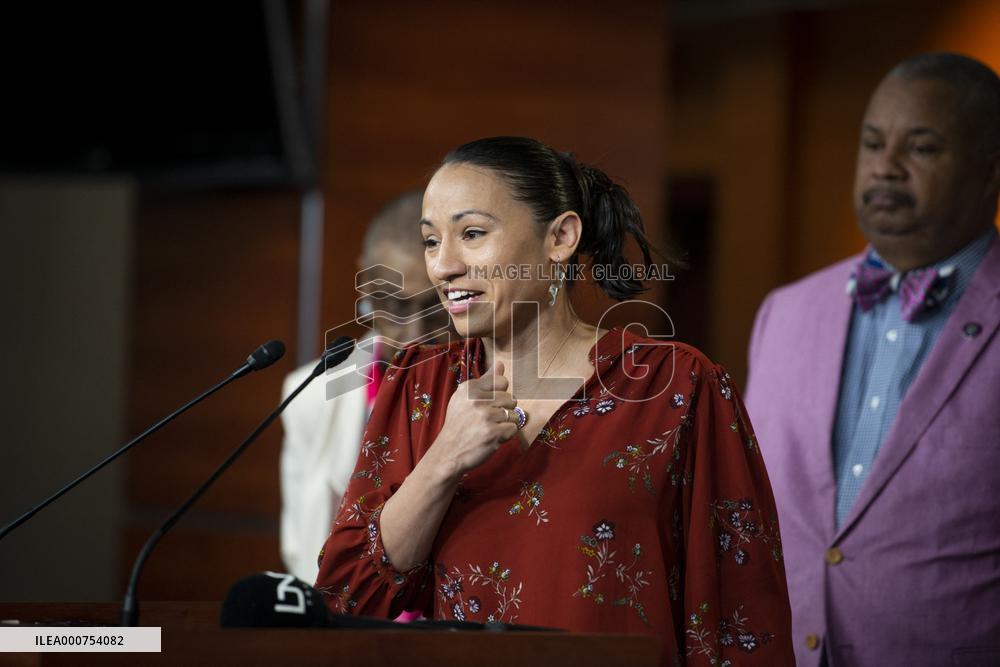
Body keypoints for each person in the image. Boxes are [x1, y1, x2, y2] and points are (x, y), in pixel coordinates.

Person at [315, 136, 794, 664]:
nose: (443, 266)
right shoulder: (417, 388)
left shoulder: (678, 387)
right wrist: (442, 461)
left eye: (471, 234)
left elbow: (741, 619)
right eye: (431, 242)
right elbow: (346, 596)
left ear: (561, 236)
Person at [745, 52, 1000, 667]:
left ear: (990, 172)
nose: (885, 167)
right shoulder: (785, 310)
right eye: (873, 143)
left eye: (922, 148)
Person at [279, 190, 447, 584]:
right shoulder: (311, 395)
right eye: (397, 306)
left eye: (434, 306)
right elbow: (303, 547)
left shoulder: (494, 386)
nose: (415, 335)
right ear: (367, 286)